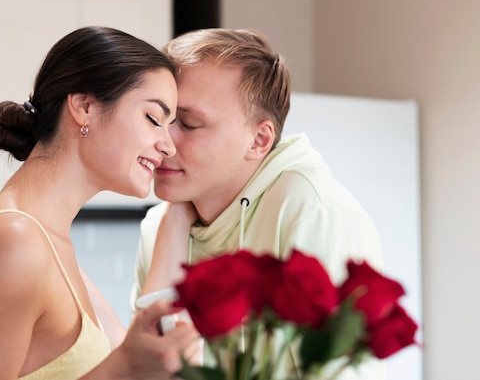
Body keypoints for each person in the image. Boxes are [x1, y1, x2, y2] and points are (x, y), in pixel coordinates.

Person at [0, 26, 200, 380]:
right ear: (84, 107)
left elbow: (129, 354)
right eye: (154, 119)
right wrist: (122, 369)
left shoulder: (47, 241)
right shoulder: (14, 243)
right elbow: (122, 366)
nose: (168, 146)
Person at [130, 28, 386, 379]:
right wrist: (174, 222)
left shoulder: (312, 212)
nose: (163, 140)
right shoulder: (160, 223)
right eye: (160, 118)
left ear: (259, 140)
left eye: (188, 124)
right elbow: (145, 367)